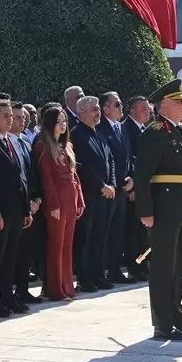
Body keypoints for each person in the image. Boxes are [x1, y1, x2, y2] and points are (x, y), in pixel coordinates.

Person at [134, 80, 182, 340]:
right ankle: (162, 322)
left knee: (179, 265)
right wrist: (145, 211)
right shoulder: (154, 133)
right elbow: (142, 175)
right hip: (163, 207)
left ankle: (176, 312)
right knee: (163, 266)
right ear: (164, 105)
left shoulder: (179, 131)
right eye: (180, 101)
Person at [0, 100, 33, 316]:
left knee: (10, 257)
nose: (10, 120)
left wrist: (26, 209)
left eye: (11, 115)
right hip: (0, 212)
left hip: (17, 210)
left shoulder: (13, 142)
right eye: (5, 116)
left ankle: (7, 296)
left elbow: (22, 177)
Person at [36, 105, 84, 301]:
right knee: (56, 245)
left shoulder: (68, 146)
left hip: (71, 200)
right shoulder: (43, 146)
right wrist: (53, 204)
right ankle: (55, 289)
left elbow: (75, 176)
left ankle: (67, 286)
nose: (63, 125)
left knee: (67, 245)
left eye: (64, 121)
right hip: (57, 203)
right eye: (58, 122)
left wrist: (80, 200)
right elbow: (46, 178)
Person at [71, 96, 116, 293]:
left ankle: (98, 274)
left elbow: (110, 160)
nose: (98, 113)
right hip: (89, 195)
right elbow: (82, 166)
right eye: (94, 109)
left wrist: (112, 184)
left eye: (98, 109)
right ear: (81, 112)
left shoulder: (100, 133)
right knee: (85, 238)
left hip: (106, 195)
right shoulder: (76, 135)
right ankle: (84, 278)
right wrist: (101, 185)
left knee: (101, 237)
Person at [98, 92, 136, 285]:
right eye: (117, 105)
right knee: (104, 233)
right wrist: (114, 182)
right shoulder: (100, 128)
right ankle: (102, 271)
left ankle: (114, 270)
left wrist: (132, 178)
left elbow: (129, 156)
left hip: (123, 188)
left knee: (118, 232)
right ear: (105, 109)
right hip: (108, 189)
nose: (121, 108)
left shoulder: (121, 127)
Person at [10, 102, 44, 305]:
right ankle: (10, 293)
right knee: (12, 253)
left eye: (23, 117)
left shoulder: (24, 141)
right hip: (16, 206)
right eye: (17, 117)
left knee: (25, 252)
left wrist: (37, 198)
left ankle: (23, 290)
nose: (22, 120)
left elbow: (32, 174)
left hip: (30, 205)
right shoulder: (8, 142)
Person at [123, 96, 152, 279]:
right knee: (133, 231)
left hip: (145, 187)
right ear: (132, 111)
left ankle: (143, 264)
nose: (147, 112)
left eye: (148, 109)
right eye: (143, 109)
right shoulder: (127, 128)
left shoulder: (144, 129)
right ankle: (134, 267)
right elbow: (129, 158)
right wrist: (132, 185)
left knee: (143, 231)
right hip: (134, 187)